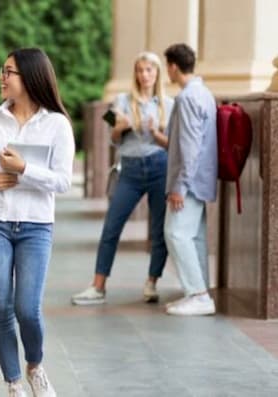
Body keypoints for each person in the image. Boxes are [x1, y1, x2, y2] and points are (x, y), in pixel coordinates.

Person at [0, 48, 74, 397]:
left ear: (29, 77)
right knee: (0, 305)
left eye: (9, 72)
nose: (2, 77)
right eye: (2, 70)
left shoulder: (57, 124)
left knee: (27, 308)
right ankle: (13, 382)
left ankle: (35, 365)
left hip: (36, 226)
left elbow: (63, 181)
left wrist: (23, 169)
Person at [71, 52, 173, 306]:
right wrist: (120, 126)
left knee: (158, 229)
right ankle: (98, 286)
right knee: (111, 227)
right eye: (139, 70)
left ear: (157, 73)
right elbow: (112, 139)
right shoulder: (120, 101)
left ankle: (152, 282)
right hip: (129, 170)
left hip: (159, 167)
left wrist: (154, 132)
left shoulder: (169, 105)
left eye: (149, 70)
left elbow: (173, 145)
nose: (144, 75)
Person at [161, 43, 218, 316]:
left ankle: (198, 294)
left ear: (173, 66)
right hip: (201, 180)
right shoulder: (204, 93)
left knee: (175, 233)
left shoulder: (186, 98)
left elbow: (190, 148)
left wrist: (179, 187)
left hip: (189, 182)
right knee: (193, 238)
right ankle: (198, 292)